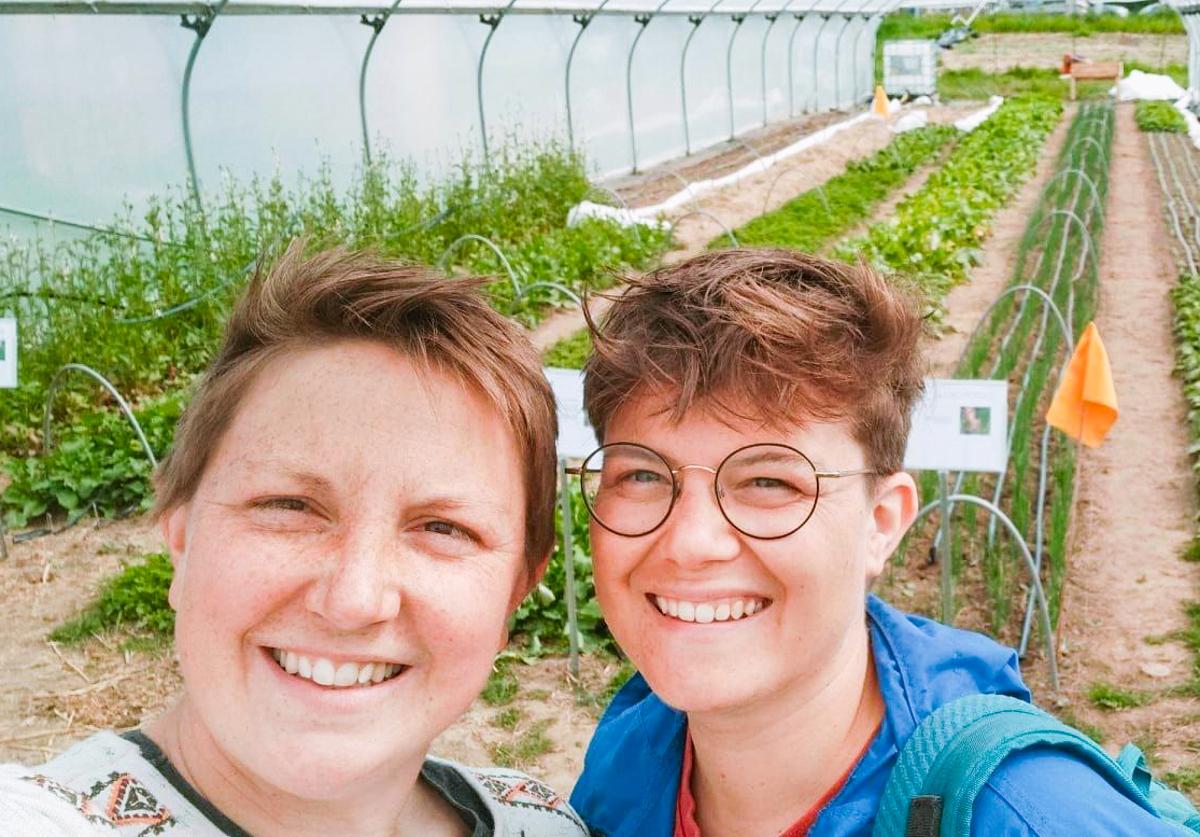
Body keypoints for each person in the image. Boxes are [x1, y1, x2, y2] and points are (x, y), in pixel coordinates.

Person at [567, 248, 1179, 836]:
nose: (690, 542)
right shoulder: (629, 753)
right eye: (642, 474)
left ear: (881, 523)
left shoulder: (1033, 815)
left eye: (768, 481)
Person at [0, 244, 589, 837]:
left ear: (514, 594)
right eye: (288, 507)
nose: (353, 600)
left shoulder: (543, 821)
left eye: (443, 529)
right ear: (180, 541)